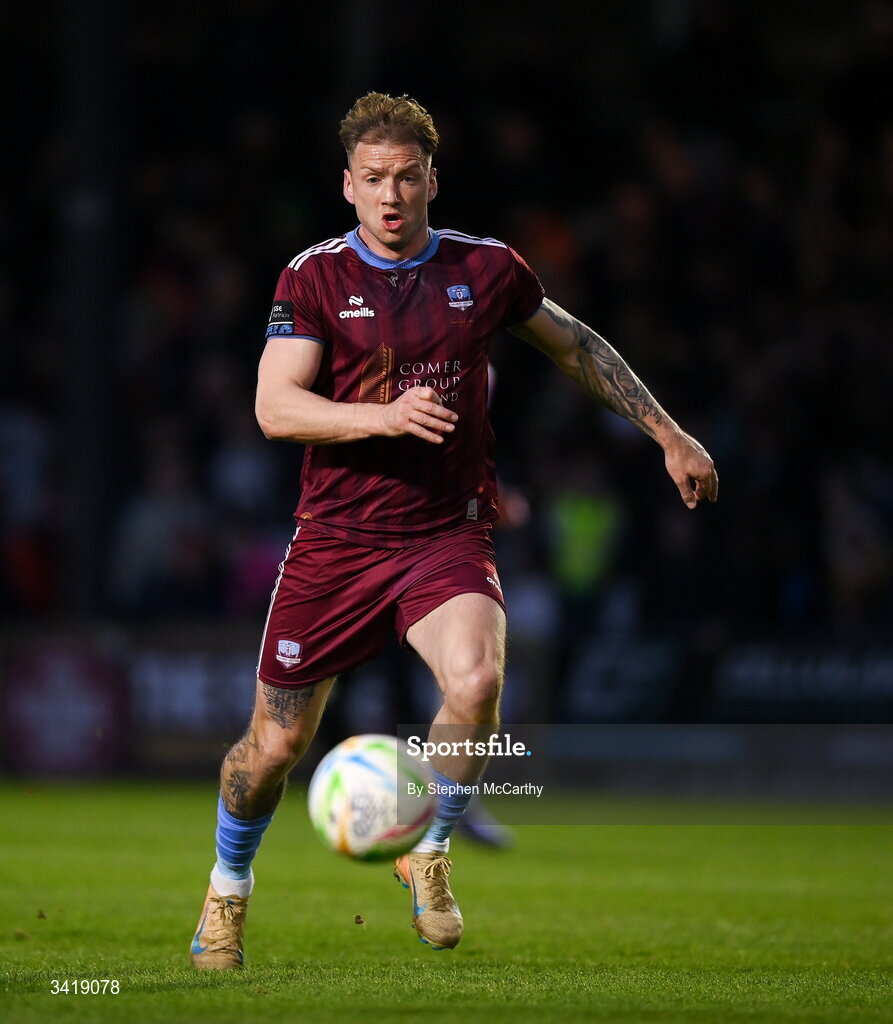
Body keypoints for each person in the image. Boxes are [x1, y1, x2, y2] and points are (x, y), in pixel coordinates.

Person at [190, 92, 718, 969]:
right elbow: (274, 407)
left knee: (475, 682)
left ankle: (427, 852)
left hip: (446, 535)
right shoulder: (312, 276)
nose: (390, 195)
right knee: (274, 746)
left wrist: (668, 432)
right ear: (347, 187)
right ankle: (227, 892)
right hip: (335, 540)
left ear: (432, 178)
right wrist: (383, 418)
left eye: (406, 177)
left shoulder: (487, 268)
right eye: (372, 180)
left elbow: (576, 345)